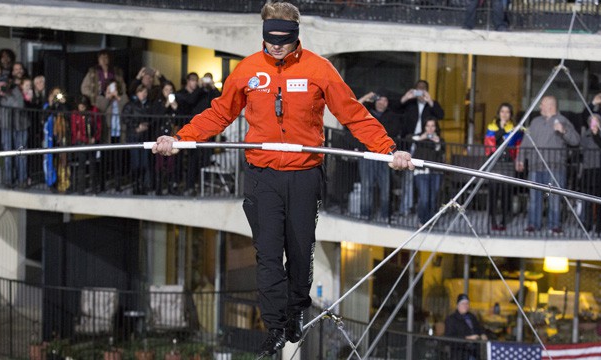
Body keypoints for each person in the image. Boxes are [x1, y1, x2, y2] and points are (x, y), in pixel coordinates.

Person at [152, 2, 415, 357]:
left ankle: (295, 312)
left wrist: (388, 150)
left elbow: (353, 113)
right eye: (269, 38)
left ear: (296, 35)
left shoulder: (318, 70)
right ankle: (275, 326)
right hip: (263, 177)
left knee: (301, 251)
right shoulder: (247, 70)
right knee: (268, 255)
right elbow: (220, 112)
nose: (276, 45)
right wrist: (180, 139)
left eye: (284, 39)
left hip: (305, 175)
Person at [516, 95, 580, 235]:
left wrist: (563, 131)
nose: (540, 107)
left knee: (554, 199)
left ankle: (554, 226)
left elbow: (575, 140)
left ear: (550, 106)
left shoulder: (563, 121)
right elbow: (526, 142)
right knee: (534, 198)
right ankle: (533, 224)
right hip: (535, 167)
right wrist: (520, 159)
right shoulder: (535, 122)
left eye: (542, 104)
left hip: (555, 168)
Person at [397, 80, 444, 217]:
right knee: (408, 178)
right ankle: (406, 208)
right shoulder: (410, 104)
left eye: (423, 89)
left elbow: (440, 115)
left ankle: (425, 213)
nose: (420, 91)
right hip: (411, 142)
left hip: (425, 146)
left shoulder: (431, 105)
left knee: (427, 187)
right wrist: (406, 97)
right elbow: (396, 109)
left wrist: (430, 101)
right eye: (418, 89)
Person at [356, 91, 401, 221]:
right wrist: (365, 97)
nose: (382, 103)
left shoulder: (391, 116)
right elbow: (351, 110)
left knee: (385, 187)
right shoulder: (367, 113)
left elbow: (393, 133)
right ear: (375, 101)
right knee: (366, 186)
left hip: (384, 156)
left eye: (385, 100)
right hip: (367, 156)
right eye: (380, 100)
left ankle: (385, 216)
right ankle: (365, 214)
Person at [483, 103, 522, 231]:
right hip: (495, 163)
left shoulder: (515, 129)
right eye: (502, 112)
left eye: (507, 112)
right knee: (494, 193)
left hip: (508, 163)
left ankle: (504, 221)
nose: (505, 114)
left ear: (510, 115)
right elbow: (490, 144)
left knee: (506, 193)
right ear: (498, 113)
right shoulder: (491, 127)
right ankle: (493, 220)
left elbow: (515, 145)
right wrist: (503, 130)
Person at [413, 117, 445, 226]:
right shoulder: (419, 137)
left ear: (436, 128)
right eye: (428, 126)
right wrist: (422, 137)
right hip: (421, 172)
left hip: (436, 172)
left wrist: (437, 142)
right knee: (424, 197)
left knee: (433, 197)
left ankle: (431, 221)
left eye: (433, 126)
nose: (430, 129)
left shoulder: (439, 139)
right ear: (424, 127)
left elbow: (441, 151)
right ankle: (422, 221)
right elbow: (411, 139)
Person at [123, 84, 152, 195]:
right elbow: (125, 118)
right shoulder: (130, 105)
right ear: (137, 93)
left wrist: (145, 125)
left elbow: (152, 118)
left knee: (144, 162)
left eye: (145, 92)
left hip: (145, 136)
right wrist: (136, 126)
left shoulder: (148, 105)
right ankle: (135, 185)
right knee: (136, 162)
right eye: (141, 92)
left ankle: (143, 185)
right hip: (134, 136)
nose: (143, 94)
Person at [71, 95, 102, 194]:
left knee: (93, 165)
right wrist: (82, 139)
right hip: (81, 142)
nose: (81, 108)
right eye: (80, 106)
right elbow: (75, 130)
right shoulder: (75, 114)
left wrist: (95, 138)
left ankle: (94, 188)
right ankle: (81, 189)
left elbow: (99, 126)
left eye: (83, 106)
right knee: (81, 166)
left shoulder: (94, 111)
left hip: (92, 142)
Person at [579, 114, 601, 237]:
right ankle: (587, 224)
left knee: (599, 200)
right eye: (592, 121)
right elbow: (583, 147)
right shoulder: (585, 135)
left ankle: (598, 226)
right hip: (588, 169)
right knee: (587, 200)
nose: (593, 123)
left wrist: (596, 134)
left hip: (599, 170)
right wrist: (591, 133)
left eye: (596, 121)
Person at [445, 294, 488, 360]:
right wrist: (467, 338)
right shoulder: (451, 319)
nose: (465, 306)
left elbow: (479, 327)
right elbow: (449, 338)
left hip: (474, 353)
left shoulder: (471, 316)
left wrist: (482, 334)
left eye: (467, 303)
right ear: (457, 305)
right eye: (463, 303)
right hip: (460, 354)